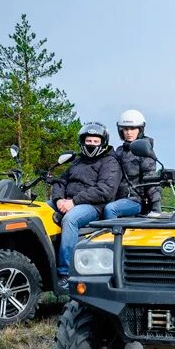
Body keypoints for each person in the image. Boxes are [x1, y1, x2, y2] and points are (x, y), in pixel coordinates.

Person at [49, 122, 121, 289]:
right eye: (88, 141)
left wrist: (74, 202)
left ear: (103, 142)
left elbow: (106, 190)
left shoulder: (110, 162)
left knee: (70, 220)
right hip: (67, 200)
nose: (91, 145)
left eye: (95, 142)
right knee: (39, 210)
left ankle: (66, 273)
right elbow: (61, 181)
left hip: (93, 206)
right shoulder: (77, 161)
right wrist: (58, 199)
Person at [104, 109, 161, 219]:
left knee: (110, 209)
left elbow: (151, 178)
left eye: (133, 128)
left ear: (140, 129)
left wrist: (156, 207)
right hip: (118, 199)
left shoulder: (144, 151)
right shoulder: (119, 151)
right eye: (125, 129)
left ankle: (111, 236)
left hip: (135, 200)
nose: (129, 132)